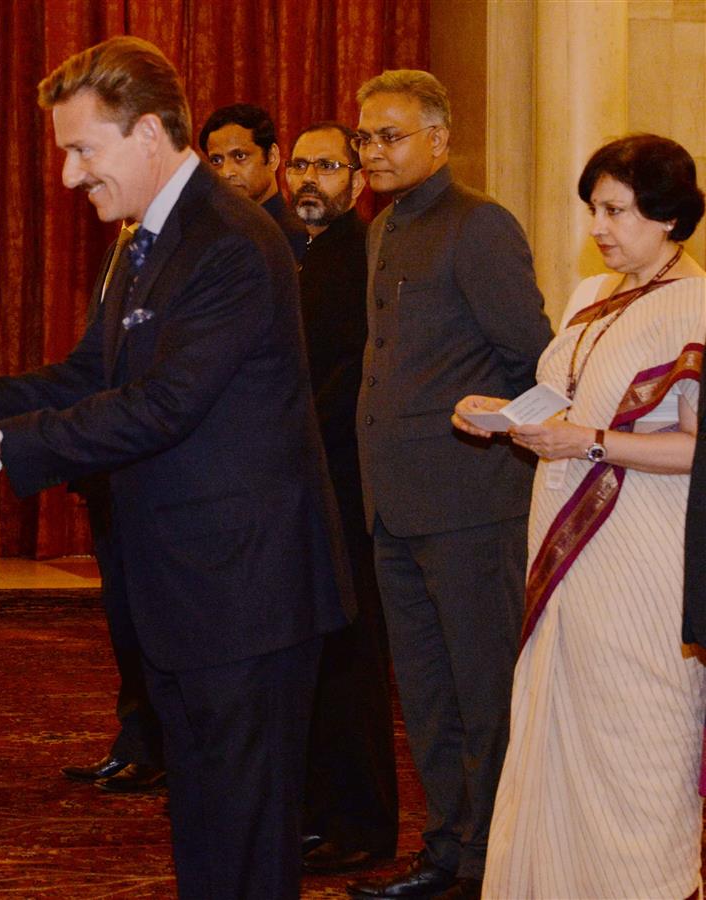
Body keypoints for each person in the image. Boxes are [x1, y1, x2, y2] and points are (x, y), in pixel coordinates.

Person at [0, 36, 352, 899]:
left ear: (152, 133)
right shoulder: (149, 239)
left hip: (246, 595)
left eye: (82, 149)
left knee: (243, 834)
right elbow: (89, 375)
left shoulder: (231, 242)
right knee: (206, 819)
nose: (67, 175)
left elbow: (164, 406)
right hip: (189, 588)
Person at [454, 134, 706, 899]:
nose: (598, 226)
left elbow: (697, 449)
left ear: (667, 217)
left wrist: (588, 444)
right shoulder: (588, 296)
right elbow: (565, 404)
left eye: (616, 210)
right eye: (593, 208)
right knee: (557, 725)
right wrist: (502, 414)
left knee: (636, 738)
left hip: (645, 559)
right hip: (563, 544)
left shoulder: (697, 305)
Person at [345, 70, 552, 900]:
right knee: (427, 695)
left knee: (482, 687)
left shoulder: (480, 225)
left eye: (390, 136)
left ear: (438, 138)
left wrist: (496, 424)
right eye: (365, 138)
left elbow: (533, 359)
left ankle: (492, 857)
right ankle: (446, 852)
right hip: (392, 503)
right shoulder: (383, 228)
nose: (374, 152)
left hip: (471, 502)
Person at [285, 122, 398, 875]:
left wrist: (292, 445)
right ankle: (325, 815)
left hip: (347, 487)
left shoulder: (362, 257)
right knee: (318, 662)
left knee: (354, 664)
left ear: (356, 181)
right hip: (307, 487)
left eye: (327, 166)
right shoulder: (304, 255)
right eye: (299, 165)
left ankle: (360, 827)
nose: (309, 180)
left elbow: (349, 377)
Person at [60, 229, 166, 795]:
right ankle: (136, 741)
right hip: (110, 467)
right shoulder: (123, 246)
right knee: (125, 618)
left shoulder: (195, 249)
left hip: (153, 470)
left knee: (154, 619)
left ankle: (160, 747)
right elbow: (92, 364)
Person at [198, 103, 308, 258]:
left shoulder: (292, 237)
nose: (226, 172)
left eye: (240, 156)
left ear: (272, 157)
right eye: (216, 160)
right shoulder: (209, 233)